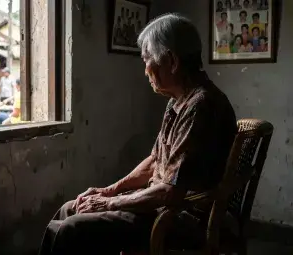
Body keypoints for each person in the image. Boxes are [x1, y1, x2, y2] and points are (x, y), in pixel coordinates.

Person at [38, 13, 237, 255]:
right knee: (71, 208)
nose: (145, 71)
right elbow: (155, 161)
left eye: (147, 60)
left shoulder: (201, 106)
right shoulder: (179, 101)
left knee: (70, 228)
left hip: (181, 216)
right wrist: (110, 190)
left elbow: (171, 192)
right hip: (161, 205)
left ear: (172, 62)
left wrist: (109, 202)